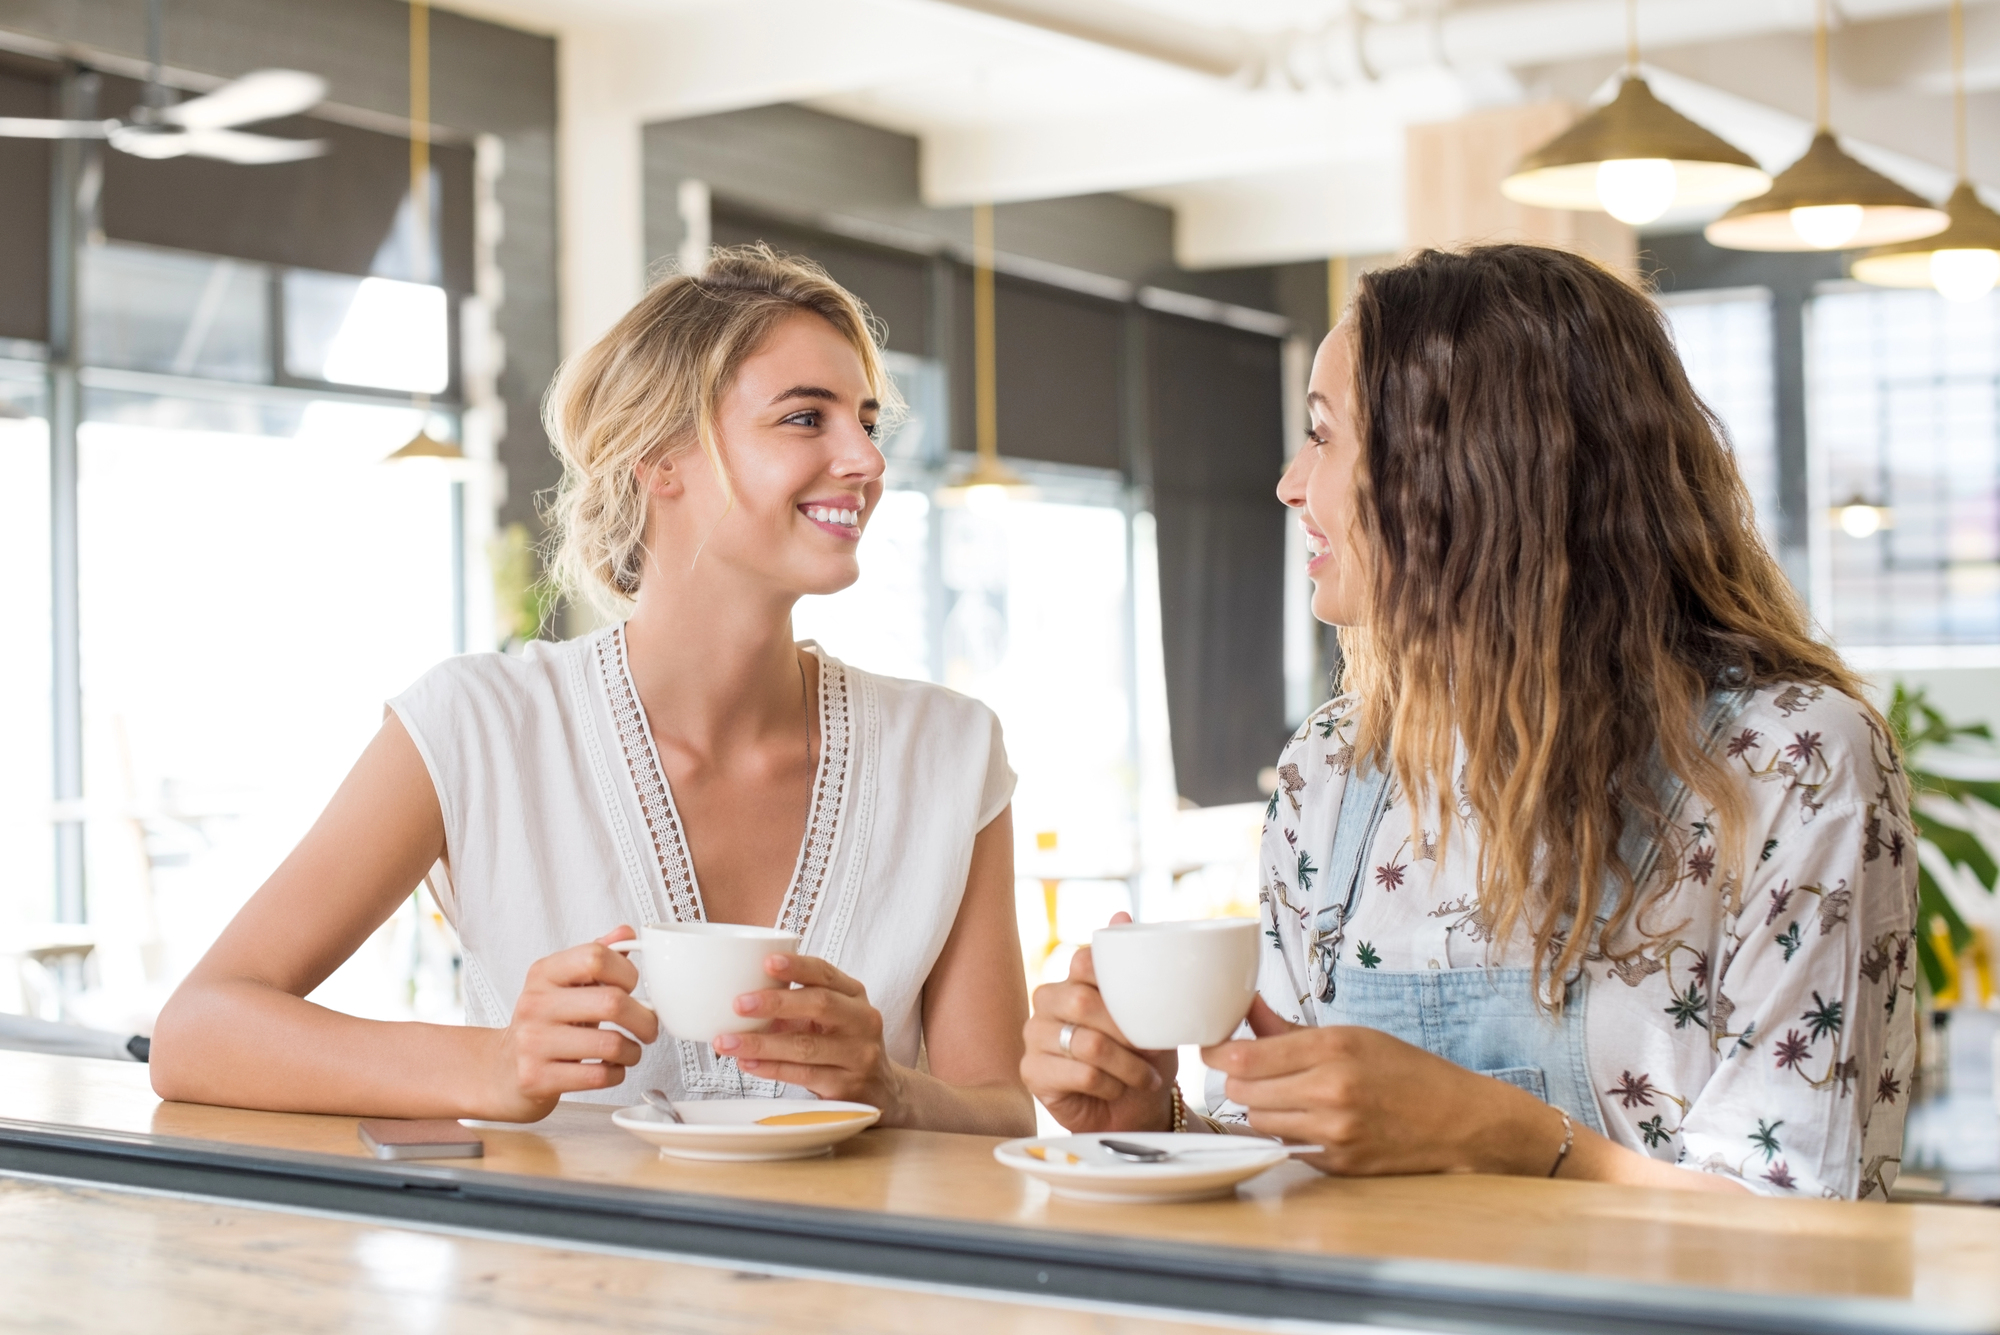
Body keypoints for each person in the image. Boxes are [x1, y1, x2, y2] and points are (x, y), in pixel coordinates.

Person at [1023, 244, 1918, 1199]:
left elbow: (1807, 1227)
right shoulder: (1330, 768)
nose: (1290, 484)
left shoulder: (1790, 764)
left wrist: (1504, 1134)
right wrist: (1155, 1122)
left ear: (1465, 471)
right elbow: (1282, 1166)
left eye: (1323, 437)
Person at [152, 246, 1034, 1135]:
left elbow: (1002, 1109)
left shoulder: (950, 752)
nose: (867, 460)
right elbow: (198, 1030)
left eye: (868, 423)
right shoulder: (474, 728)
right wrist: (492, 1062)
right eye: (807, 418)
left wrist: (890, 1086)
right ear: (659, 459)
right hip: (554, 1275)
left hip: (870, 1276)